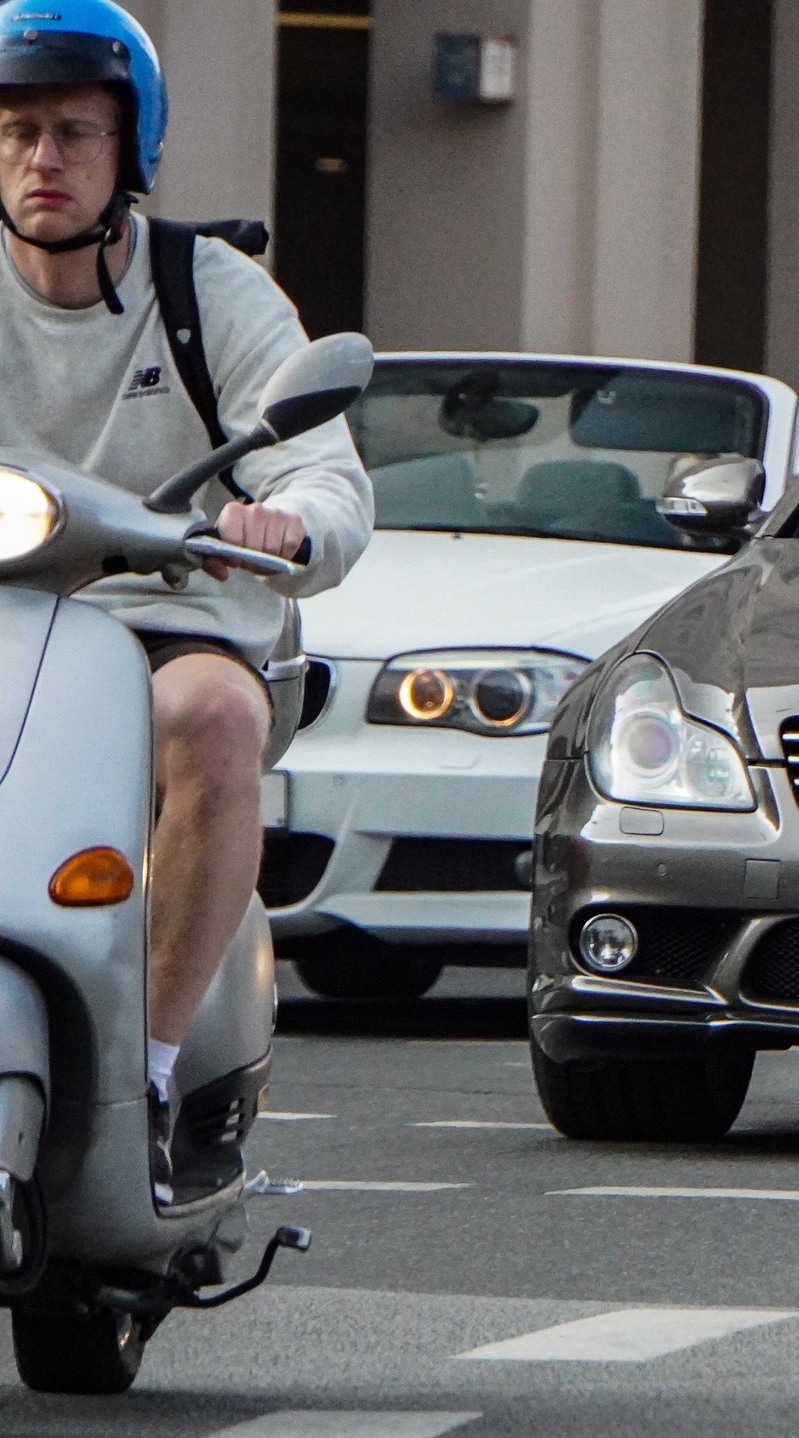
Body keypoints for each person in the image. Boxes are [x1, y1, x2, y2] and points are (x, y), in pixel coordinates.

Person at [0, 1, 372, 1202]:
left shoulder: (209, 288)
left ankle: (150, 1074)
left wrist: (287, 518)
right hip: (11, 611)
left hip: (171, 610)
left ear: (131, 150)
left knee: (213, 719)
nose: (39, 160)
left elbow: (324, 470)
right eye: (12, 132)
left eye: (71, 131)